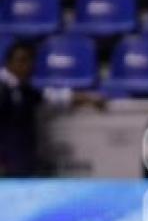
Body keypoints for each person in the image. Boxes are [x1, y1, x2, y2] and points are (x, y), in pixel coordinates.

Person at [0, 42, 104, 177]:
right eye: (22, 60)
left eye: (30, 61)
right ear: (9, 62)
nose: (27, 66)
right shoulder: (3, 89)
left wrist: (87, 98)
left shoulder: (23, 89)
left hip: (21, 160)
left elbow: (53, 97)